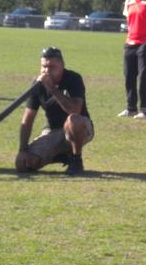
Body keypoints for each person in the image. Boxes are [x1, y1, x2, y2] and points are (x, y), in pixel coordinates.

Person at [16, 47, 93, 175]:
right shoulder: (37, 84)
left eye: (52, 67)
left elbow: (74, 109)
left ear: (62, 66)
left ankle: (76, 159)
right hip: (53, 131)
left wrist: (52, 89)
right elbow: (28, 119)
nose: (46, 71)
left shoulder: (73, 79)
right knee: (24, 163)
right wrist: (22, 150)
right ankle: (61, 155)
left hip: (80, 127)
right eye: (43, 66)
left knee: (73, 120)